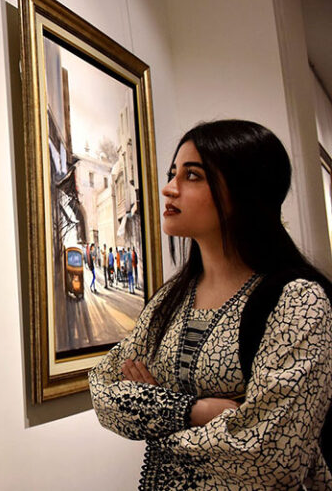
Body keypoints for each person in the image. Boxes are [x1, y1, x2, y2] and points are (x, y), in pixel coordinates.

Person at [89, 120, 332, 489]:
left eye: (193, 176)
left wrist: (151, 413)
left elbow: (270, 456)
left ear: (245, 188)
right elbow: (103, 389)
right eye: (174, 173)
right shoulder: (168, 301)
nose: (168, 189)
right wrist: (193, 410)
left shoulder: (296, 300)